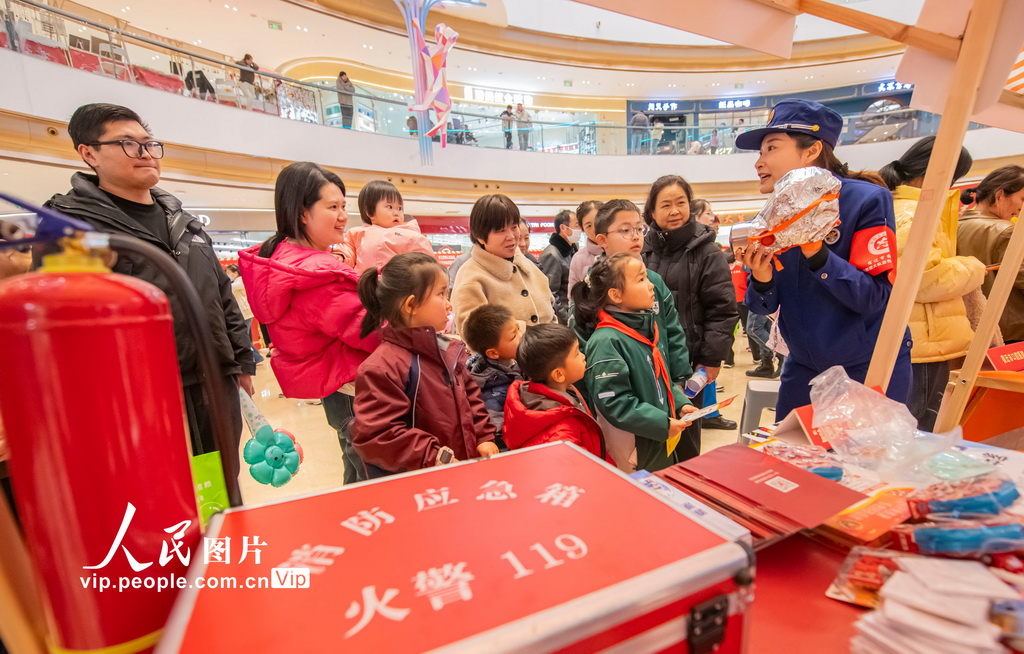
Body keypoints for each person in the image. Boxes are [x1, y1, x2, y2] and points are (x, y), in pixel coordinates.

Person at [46, 103, 254, 459]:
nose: (145, 153)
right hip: (139, 397)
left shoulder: (184, 222)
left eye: (149, 143)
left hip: (215, 383)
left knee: (221, 483)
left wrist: (240, 363)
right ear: (89, 153)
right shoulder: (72, 228)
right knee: (165, 487)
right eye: (127, 143)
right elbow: (67, 330)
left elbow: (222, 296)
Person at [734, 98, 912, 416]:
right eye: (760, 152)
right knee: (788, 446)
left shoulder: (866, 200)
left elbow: (874, 296)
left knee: (864, 449)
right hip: (802, 366)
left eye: (771, 148)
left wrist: (817, 253)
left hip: (866, 365)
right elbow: (762, 306)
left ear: (812, 150)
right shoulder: (774, 215)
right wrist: (761, 278)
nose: (759, 162)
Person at [240, 162, 379, 485]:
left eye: (343, 206)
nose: (343, 216)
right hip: (352, 385)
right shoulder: (314, 275)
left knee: (356, 469)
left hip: (336, 388)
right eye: (333, 207)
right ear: (303, 213)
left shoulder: (285, 260)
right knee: (373, 477)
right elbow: (369, 331)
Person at [353, 253, 497, 474]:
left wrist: (483, 436)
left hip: (458, 471)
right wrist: (436, 456)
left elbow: (471, 398)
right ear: (411, 304)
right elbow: (377, 434)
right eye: (441, 294)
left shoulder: (449, 351)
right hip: (423, 479)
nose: (449, 305)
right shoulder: (382, 367)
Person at [575, 199, 696, 464]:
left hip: (658, 416)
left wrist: (678, 396)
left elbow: (671, 336)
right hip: (631, 434)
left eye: (639, 229)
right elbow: (611, 395)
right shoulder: (605, 332)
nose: (635, 236)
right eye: (625, 230)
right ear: (602, 239)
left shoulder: (648, 304)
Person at [879, 137, 983, 431]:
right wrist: (972, 267)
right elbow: (923, 279)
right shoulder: (914, 213)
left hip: (915, 339)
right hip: (922, 344)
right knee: (916, 431)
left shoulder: (894, 206)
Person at [642, 175, 738, 440]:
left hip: (689, 363)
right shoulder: (643, 251)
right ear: (652, 212)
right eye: (665, 205)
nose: (674, 211)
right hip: (649, 361)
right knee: (654, 434)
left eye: (681, 203)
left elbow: (722, 309)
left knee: (685, 435)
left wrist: (711, 360)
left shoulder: (708, 252)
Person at [503, 324, 611, 462]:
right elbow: (578, 469)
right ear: (559, 374)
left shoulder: (563, 392)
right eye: (576, 353)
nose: (583, 356)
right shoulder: (562, 435)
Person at [451, 194, 556, 334]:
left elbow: (552, 316)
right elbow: (475, 335)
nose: (511, 236)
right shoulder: (471, 277)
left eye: (514, 227)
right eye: (501, 230)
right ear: (480, 236)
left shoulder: (529, 267)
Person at [957, 165, 1024, 343]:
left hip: (970, 329)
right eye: (1022, 199)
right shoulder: (1008, 231)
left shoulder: (955, 226)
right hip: (1012, 332)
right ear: (1000, 195)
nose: (1021, 208)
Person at [463, 304, 523, 451]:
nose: (521, 336)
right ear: (493, 353)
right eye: (514, 336)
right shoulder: (493, 391)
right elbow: (499, 435)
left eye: (518, 328)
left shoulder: (516, 361)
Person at [338, 180, 433, 274]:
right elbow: (348, 250)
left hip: (396, 283)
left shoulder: (410, 236)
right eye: (390, 207)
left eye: (399, 208)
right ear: (369, 212)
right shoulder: (357, 233)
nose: (396, 213)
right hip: (363, 281)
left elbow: (426, 264)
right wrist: (341, 256)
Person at [538, 209, 580, 324]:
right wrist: (567, 320)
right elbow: (550, 294)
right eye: (577, 225)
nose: (580, 229)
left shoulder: (573, 249)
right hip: (564, 319)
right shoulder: (552, 255)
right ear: (563, 228)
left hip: (574, 313)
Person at [225, 263, 264, 364]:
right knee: (244, 336)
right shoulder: (236, 281)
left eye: (228, 273)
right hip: (244, 313)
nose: (227, 275)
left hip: (245, 313)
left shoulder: (240, 281)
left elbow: (229, 287)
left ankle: (256, 357)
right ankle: (256, 358)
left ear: (235, 273)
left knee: (243, 337)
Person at [568, 200, 604, 297]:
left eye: (598, 221)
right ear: (583, 229)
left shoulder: (623, 250)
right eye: (589, 226)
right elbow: (573, 296)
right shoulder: (578, 259)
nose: (595, 228)